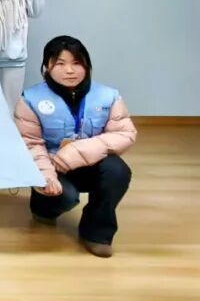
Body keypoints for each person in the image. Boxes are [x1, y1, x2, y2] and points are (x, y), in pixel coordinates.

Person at [14, 36, 137, 258]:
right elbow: (30, 143)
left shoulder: (108, 96)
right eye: (60, 63)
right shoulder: (31, 99)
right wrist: (46, 177)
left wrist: (75, 153)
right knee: (64, 196)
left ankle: (97, 234)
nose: (69, 70)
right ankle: (42, 209)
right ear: (47, 66)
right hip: (53, 168)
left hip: (91, 163)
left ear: (87, 66)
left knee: (117, 171)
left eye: (77, 63)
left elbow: (125, 133)